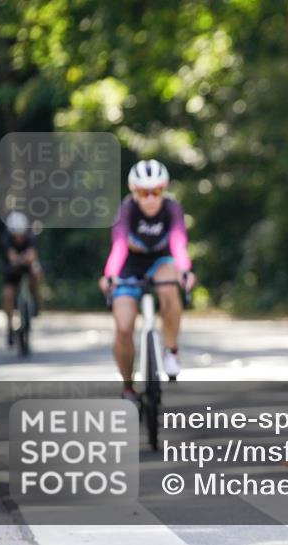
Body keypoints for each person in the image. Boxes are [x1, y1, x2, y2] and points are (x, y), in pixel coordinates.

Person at [98, 160, 196, 401]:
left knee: (170, 285)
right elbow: (119, 245)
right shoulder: (126, 210)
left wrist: (185, 270)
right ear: (134, 192)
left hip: (160, 261)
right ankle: (128, 386)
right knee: (123, 327)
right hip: (129, 265)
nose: (151, 198)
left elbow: (178, 241)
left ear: (164, 189)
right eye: (144, 192)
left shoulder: (172, 208)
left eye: (157, 191)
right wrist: (110, 274)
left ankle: (171, 350)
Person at [1, 211, 42, 347]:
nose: (19, 237)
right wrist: (21, 258)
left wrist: (27, 259)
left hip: (26, 267)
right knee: (8, 294)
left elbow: (33, 254)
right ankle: (9, 326)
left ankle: (35, 300)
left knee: (37, 273)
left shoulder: (30, 235)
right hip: (12, 269)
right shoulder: (6, 237)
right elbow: (11, 256)